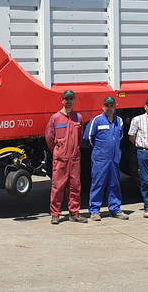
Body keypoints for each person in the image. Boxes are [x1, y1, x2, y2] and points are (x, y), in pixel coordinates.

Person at [83, 96, 129, 221]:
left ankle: (115, 209)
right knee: (98, 183)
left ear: (115, 107)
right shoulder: (97, 121)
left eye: (111, 106)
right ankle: (94, 211)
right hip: (100, 158)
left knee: (114, 183)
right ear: (103, 107)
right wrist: (100, 150)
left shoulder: (119, 121)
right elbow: (88, 138)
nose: (109, 108)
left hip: (114, 158)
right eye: (107, 106)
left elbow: (120, 136)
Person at [45, 90, 87, 224]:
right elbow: (49, 138)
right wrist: (58, 152)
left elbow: (80, 137)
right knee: (58, 187)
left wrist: (74, 150)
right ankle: (55, 214)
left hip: (74, 158)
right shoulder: (55, 118)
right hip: (61, 159)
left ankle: (74, 213)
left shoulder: (78, 118)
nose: (69, 101)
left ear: (74, 100)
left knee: (75, 187)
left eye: (71, 98)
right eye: (66, 99)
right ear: (62, 100)